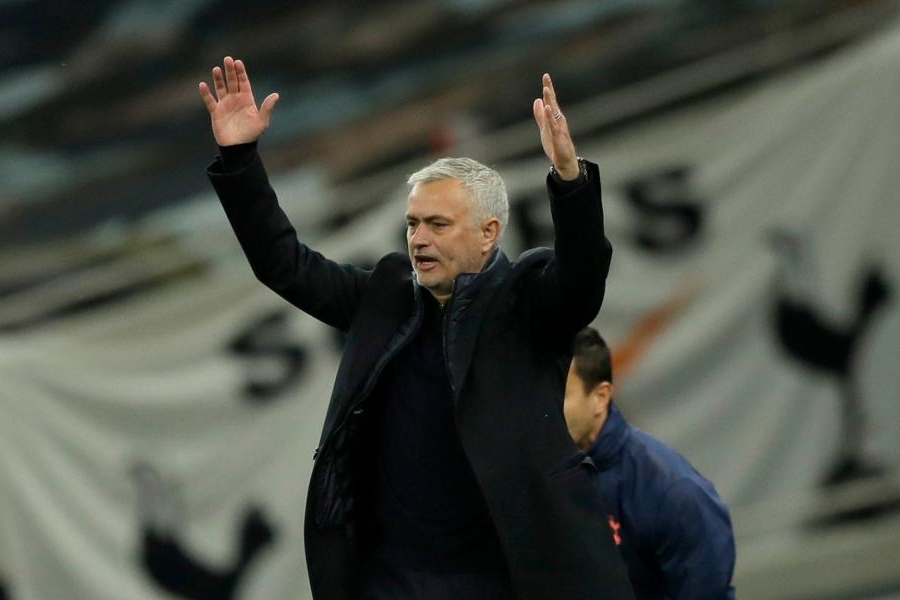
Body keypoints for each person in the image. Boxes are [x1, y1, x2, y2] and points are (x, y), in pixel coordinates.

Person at [199, 56, 633, 600]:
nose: (418, 239)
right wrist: (240, 159)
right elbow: (284, 264)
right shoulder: (385, 297)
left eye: (437, 224)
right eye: (412, 224)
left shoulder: (528, 301)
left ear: (488, 233)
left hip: (509, 579)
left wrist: (570, 180)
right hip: (395, 581)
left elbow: (583, 277)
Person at [563, 327, 737, 599]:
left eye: (561, 393)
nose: (545, 405)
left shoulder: (674, 493)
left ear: (600, 397)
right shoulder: (536, 476)